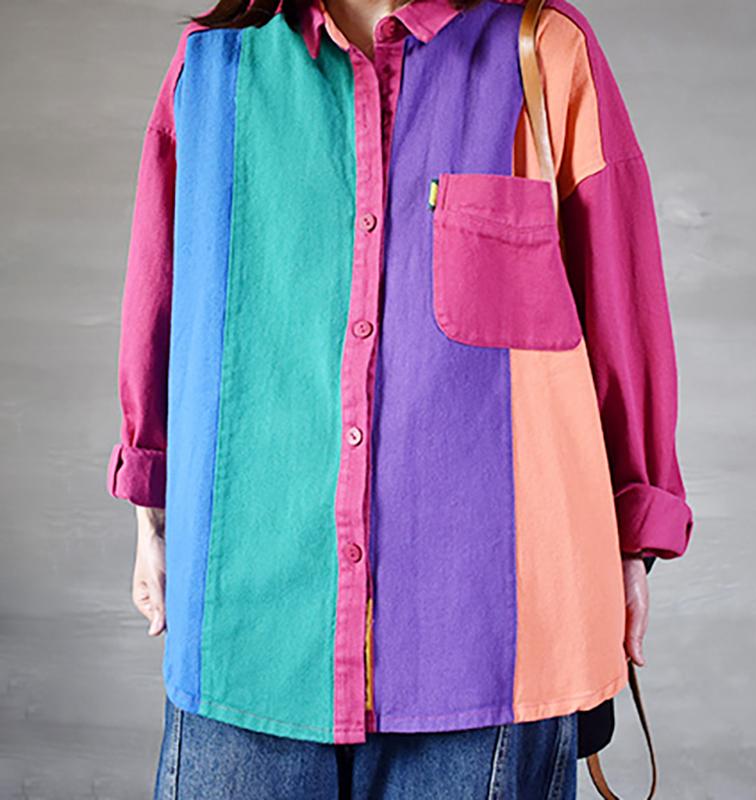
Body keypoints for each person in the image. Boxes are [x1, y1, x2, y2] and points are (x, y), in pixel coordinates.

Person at [105, 0, 694, 795]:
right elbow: (162, 294)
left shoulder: (545, 52)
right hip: (248, 621)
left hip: (489, 641)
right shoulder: (212, 69)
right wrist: (152, 512)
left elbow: (622, 308)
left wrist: (633, 537)